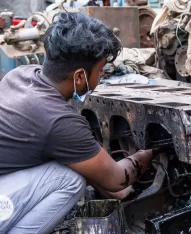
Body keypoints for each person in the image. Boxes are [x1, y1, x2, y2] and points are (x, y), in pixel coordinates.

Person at [0, 12, 161, 234]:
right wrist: (151, 151)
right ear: (79, 77)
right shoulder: (57, 120)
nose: (103, 74)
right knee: (70, 180)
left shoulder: (21, 74)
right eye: (101, 69)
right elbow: (116, 179)